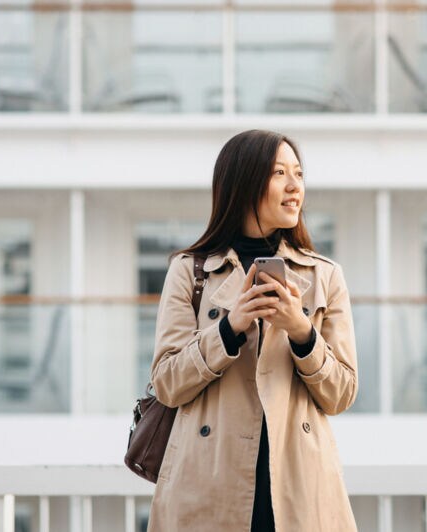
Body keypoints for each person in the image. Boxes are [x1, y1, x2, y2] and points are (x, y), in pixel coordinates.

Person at [147, 129, 359, 531]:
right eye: (280, 173)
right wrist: (229, 328)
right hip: (209, 482)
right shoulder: (190, 272)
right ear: (244, 183)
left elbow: (342, 392)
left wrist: (301, 332)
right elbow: (166, 383)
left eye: (299, 173)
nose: (295, 186)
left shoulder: (325, 276)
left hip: (298, 486)